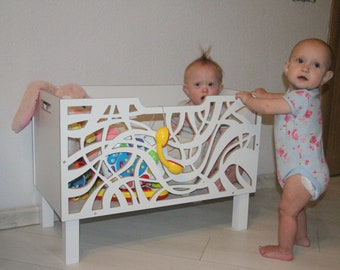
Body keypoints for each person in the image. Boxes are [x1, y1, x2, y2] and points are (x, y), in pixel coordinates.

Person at [236, 38, 334, 261]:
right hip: (309, 170)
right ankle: (301, 238)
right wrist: (265, 93)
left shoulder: (300, 98)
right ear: (287, 67)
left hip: (301, 173)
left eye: (316, 65)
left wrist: (250, 100)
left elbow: (270, 107)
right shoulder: (304, 96)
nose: (306, 68)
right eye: (300, 61)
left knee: (287, 211)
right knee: (297, 208)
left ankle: (284, 250)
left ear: (326, 77)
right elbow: (280, 99)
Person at [171, 49, 240, 188]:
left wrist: (223, 155)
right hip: (189, 155)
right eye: (198, 85)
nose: (205, 90)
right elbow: (172, 129)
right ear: (186, 89)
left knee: (232, 158)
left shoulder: (221, 111)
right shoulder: (181, 109)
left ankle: (223, 176)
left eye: (210, 85)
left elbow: (229, 135)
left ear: (220, 88)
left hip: (213, 156)